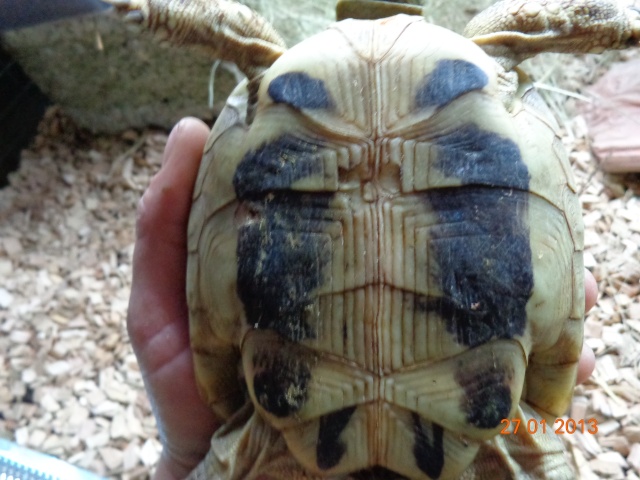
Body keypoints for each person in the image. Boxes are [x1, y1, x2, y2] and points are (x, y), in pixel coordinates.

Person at [128, 118, 599, 480]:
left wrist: (186, 460)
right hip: (482, 426)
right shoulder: (510, 437)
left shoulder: (259, 448)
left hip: (285, 427)